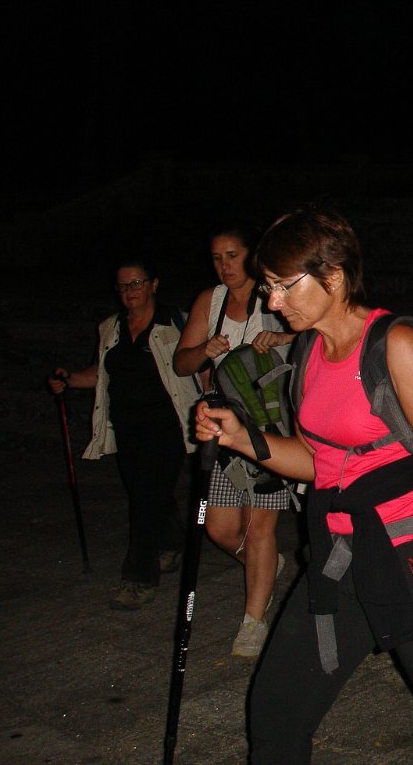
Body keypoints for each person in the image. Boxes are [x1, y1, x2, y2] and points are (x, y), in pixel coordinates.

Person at [194, 205, 413, 763]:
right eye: (268, 288)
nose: (273, 303)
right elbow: (321, 462)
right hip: (340, 554)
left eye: (283, 286)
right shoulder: (309, 347)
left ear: (333, 277)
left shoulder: (394, 343)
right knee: (275, 714)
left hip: (412, 557)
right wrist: (245, 440)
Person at [49, 255, 201, 610]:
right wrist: (69, 380)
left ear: (153, 284)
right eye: (122, 285)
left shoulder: (177, 323)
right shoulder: (110, 327)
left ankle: (139, 578)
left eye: (136, 283)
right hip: (127, 429)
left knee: (145, 499)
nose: (129, 290)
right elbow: (101, 373)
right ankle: (171, 542)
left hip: (169, 427)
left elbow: (198, 365)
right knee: (147, 492)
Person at [173, 225, 297, 657]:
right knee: (220, 529)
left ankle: (253, 622)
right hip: (222, 429)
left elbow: (316, 338)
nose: (224, 266)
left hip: (269, 426)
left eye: (232, 255)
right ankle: (265, 567)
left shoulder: (275, 296)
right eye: (216, 258)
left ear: (251, 255)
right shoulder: (210, 302)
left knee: (260, 527)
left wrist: (282, 337)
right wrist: (204, 351)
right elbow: (181, 363)